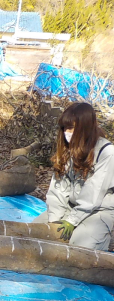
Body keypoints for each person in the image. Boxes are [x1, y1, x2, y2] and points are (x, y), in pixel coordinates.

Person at [35, 102, 114, 251]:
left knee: (79, 250)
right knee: (33, 233)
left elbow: (94, 193)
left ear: (84, 128)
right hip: (69, 206)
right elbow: (58, 188)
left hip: (98, 211)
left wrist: (72, 220)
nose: (67, 132)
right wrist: (55, 220)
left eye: (71, 128)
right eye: (64, 128)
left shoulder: (106, 152)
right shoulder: (68, 149)